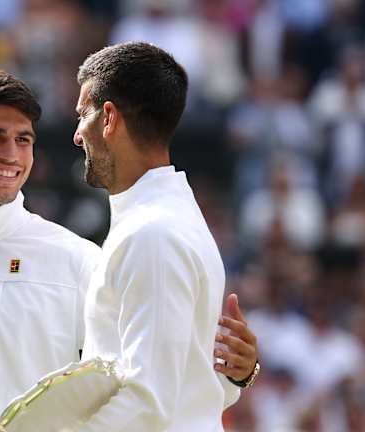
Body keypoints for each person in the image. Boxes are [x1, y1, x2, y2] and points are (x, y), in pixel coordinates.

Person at [0, 67, 257, 431]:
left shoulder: (81, 262)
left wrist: (233, 373)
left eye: (23, 140)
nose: (11, 155)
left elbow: (157, 387)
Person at [69, 42, 254, 431]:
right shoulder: (165, 220)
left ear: (108, 118)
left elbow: (147, 403)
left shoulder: (151, 234)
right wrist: (236, 373)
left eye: (82, 114)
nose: (76, 135)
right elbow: (192, 387)